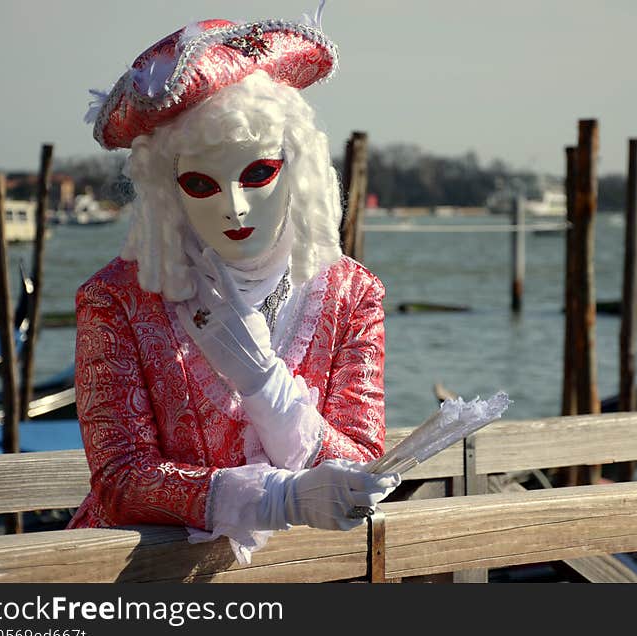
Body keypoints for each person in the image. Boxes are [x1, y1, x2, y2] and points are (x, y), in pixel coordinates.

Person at [66, 9, 401, 563]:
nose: (234, 206)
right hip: (139, 583)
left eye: (257, 173)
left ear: (298, 165)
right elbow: (120, 481)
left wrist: (266, 385)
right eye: (201, 183)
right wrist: (279, 498)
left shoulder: (350, 294)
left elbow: (363, 463)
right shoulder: (117, 299)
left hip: (297, 579)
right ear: (167, 188)